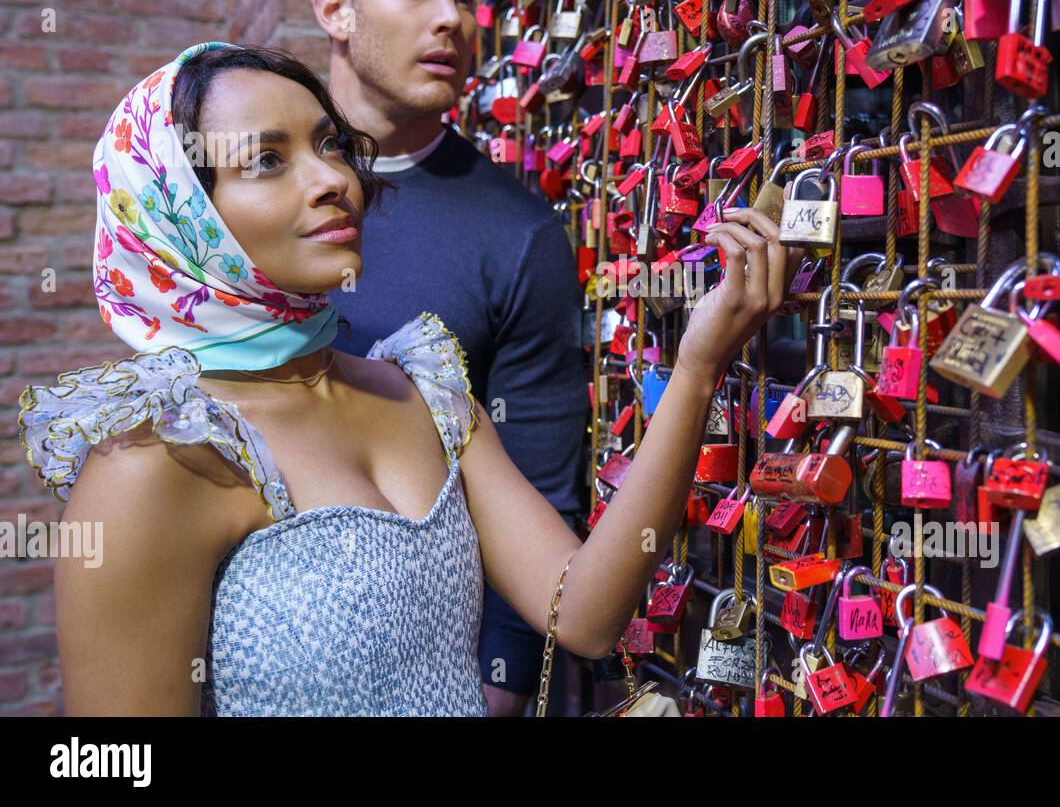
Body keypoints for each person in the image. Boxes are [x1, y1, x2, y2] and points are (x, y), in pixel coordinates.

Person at [18, 42, 796, 716]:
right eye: (266, 160)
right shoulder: (158, 458)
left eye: (329, 144)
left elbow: (585, 612)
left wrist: (698, 366)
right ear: (179, 214)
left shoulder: (422, 387)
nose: (331, 179)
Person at [309, 0, 587, 715]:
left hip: (428, 671)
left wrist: (496, 688)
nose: (453, 19)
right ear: (336, 10)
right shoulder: (246, 191)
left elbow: (539, 494)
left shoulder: (519, 234)